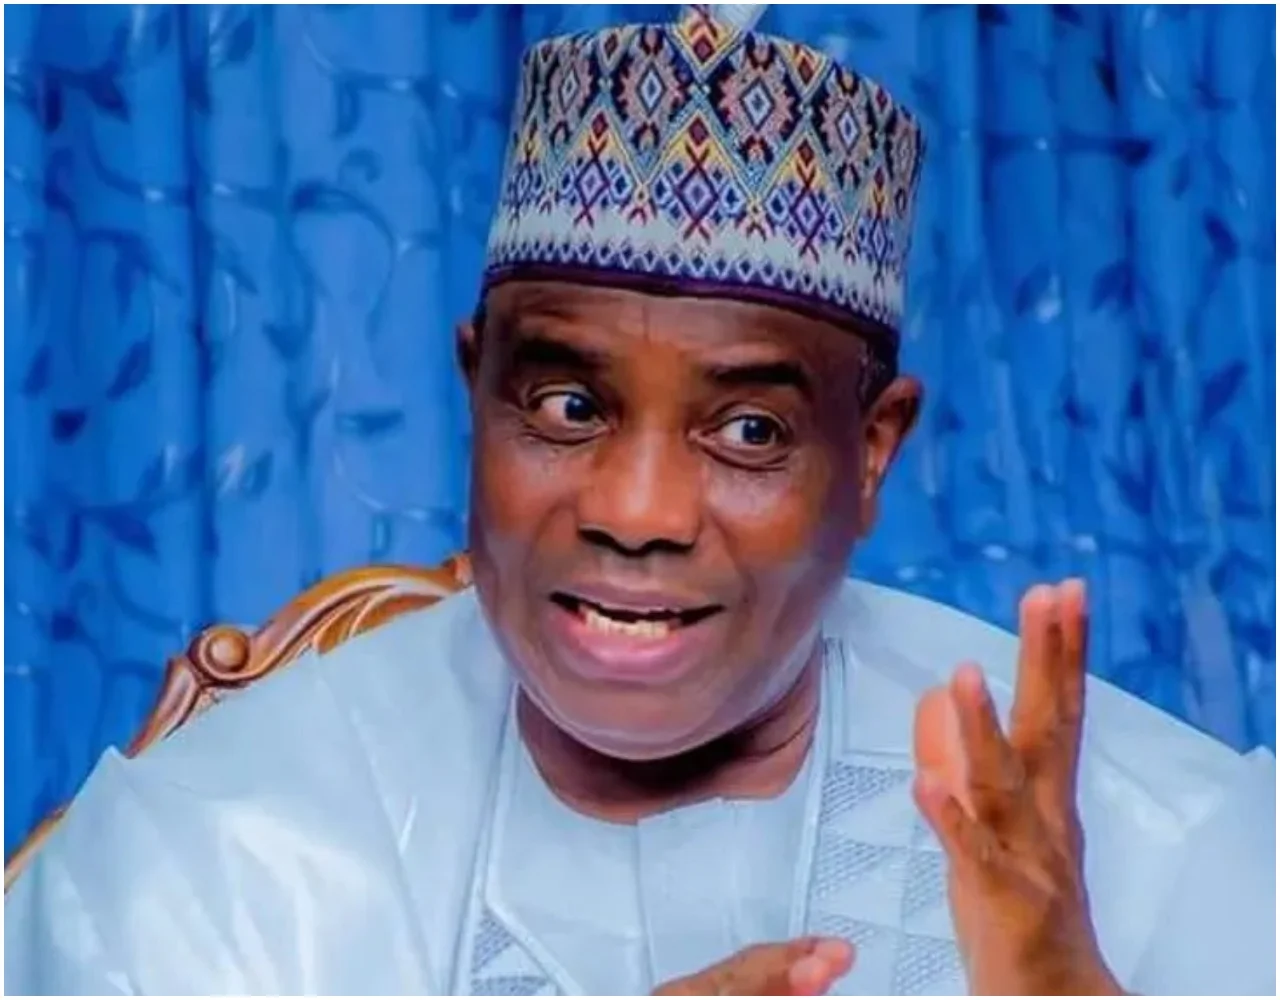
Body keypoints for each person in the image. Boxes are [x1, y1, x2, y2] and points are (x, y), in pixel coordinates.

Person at [6, 5, 1275, 996]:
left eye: (748, 430)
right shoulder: (217, 855)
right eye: (566, 406)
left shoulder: (1152, 839)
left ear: (870, 453)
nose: (638, 508)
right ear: (473, 391)